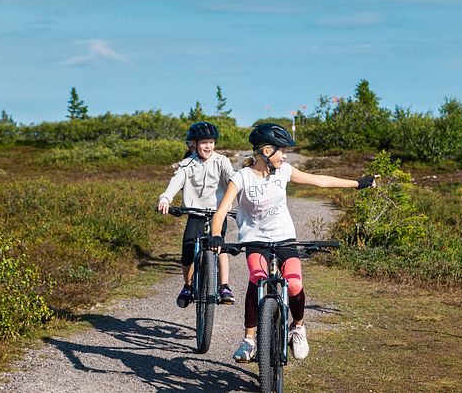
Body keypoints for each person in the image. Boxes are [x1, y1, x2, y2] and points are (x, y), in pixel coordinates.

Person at [209, 123, 376, 363]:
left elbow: (320, 181)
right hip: (255, 240)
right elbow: (220, 213)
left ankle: (298, 328)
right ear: (266, 151)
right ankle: (249, 340)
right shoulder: (242, 177)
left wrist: (357, 183)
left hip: (285, 237)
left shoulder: (284, 171)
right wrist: (217, 236)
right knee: (257, 278)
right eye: (282, 151)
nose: (285, 156)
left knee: (295, 285)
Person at [158, 121, 236, 307]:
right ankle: (188, 286)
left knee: (220, 246)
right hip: (195, 213)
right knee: (187, 250)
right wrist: (165, 199)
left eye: (211, 142)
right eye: (203, 142)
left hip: (218, 213)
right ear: (194, 144)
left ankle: (224, 286)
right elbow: (176, 182)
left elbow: (233, 179)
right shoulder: (187, 164)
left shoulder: (222, 161)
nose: (208, 146)